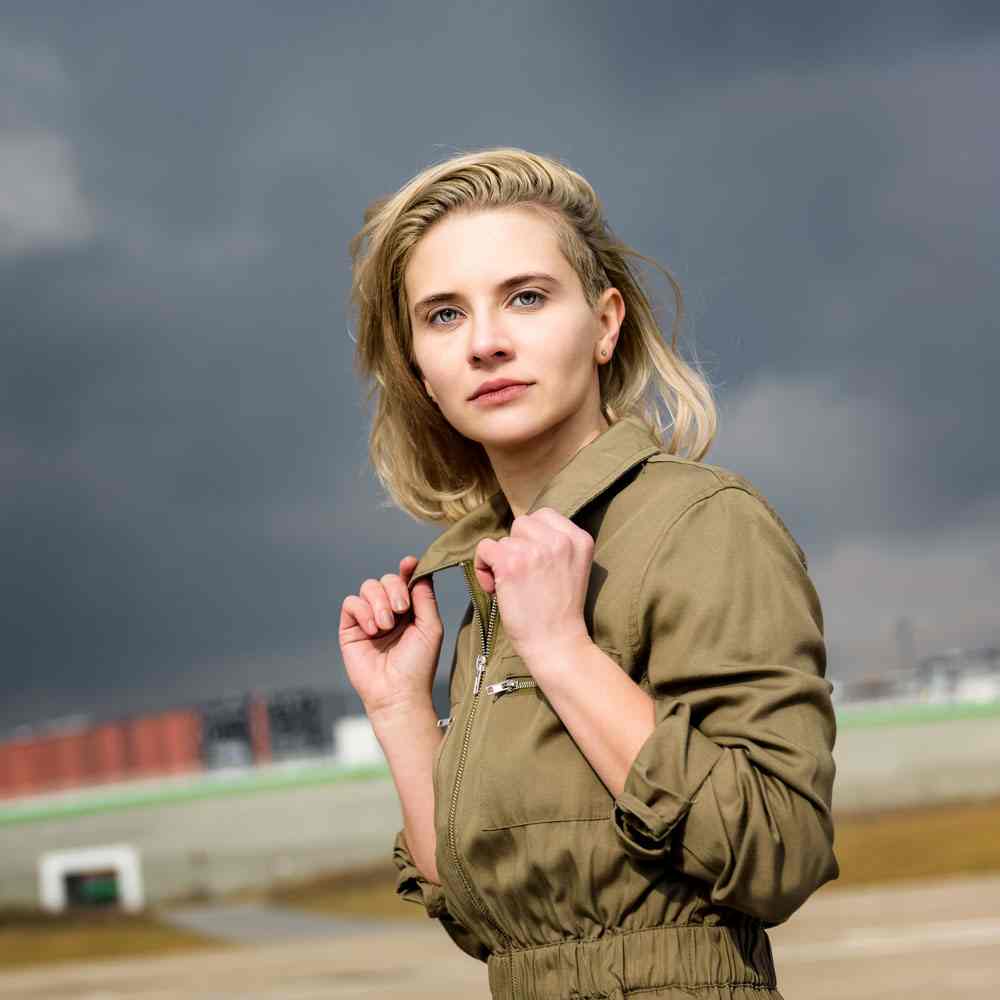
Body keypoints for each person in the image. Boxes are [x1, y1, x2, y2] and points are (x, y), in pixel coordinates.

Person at [339, 147, 838, 1000]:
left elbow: (779, 854)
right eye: (444, 316)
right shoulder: (488, 574)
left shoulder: (701, 523)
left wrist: (564, 652)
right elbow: (481, 917)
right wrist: (399, 711)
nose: (488, 343)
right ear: (420, 366)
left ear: (605, 323)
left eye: (526, 298)